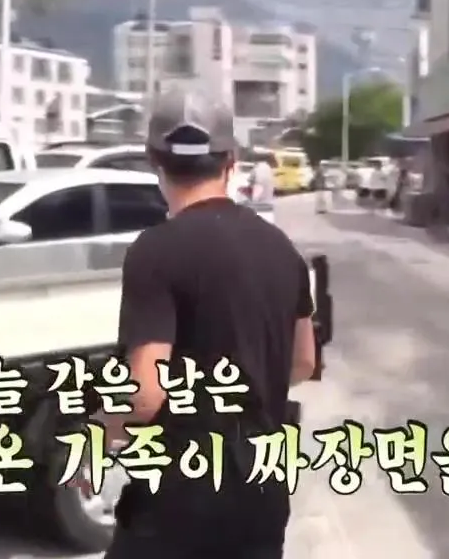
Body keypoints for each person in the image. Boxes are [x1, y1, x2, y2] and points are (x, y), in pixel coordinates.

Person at [102, 87, 318, 558]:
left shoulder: (156, 251)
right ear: (231, 161)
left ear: (154, 161)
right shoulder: (282, 250)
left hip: (179, 502)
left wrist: (97, 434)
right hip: (260, 494)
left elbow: (146, 393)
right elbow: (304, 361)